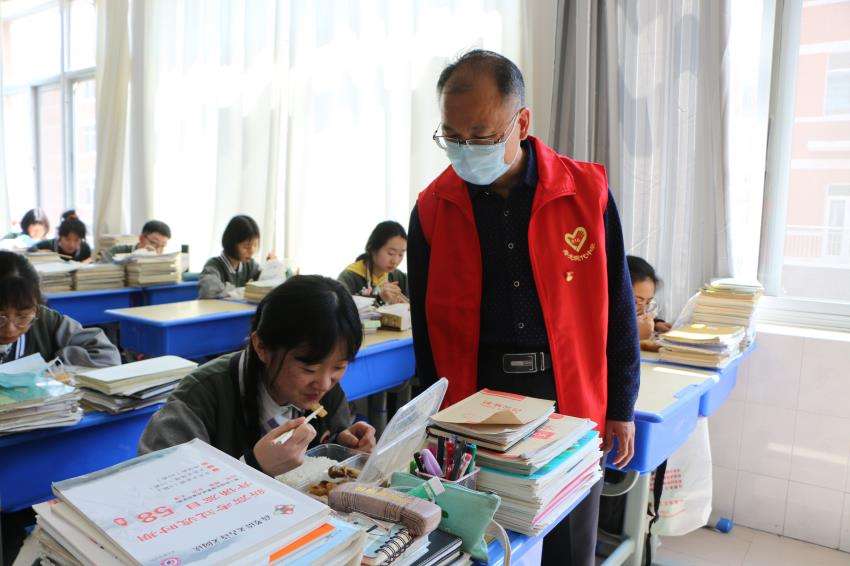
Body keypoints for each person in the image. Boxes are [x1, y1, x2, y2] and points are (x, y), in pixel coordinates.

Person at [407, 50, 640, 565]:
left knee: (569, 544)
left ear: (522, 122)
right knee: (486, 541)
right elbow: (425, 331)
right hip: (474, 398)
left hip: (567, 391)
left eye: (481, 135)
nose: (466, 149)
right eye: (452, 136)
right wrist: (430, 421)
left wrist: (622, 406)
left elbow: (619, 308)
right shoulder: (432, 208)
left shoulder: (585, 193)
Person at [139, 275, 376, 476]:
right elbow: (157, 489)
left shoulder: (324, 389)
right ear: (261, 347)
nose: (324, 384)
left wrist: (343, 443)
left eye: (339, 367)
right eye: (309, 369)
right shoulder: (201, 398)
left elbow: (334, 436)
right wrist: (253, 466)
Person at [0, 251, 120, 366]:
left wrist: (54, 365)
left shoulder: (49, 322)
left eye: (23, 316)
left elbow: (107, 356)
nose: (10, 330)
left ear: (36, 306)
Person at [198, 215, 274, 299]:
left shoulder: (250, 265)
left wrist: (271, 267)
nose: (252, 251)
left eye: (255, 245)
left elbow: (266, 286)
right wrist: (244, 291)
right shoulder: (213, 265)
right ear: (231, 243)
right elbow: (208, 291)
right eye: (246, 246)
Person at [338, 221, 409, 305]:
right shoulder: (349, 278)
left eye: (401, 254)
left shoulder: (399, 277)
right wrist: (380, 300)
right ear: (373, 249)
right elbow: (341, 310)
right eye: (391, 253)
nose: (395, 261)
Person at [100, 220, 172, 262]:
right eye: (153, 243)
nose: (157, 251)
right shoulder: (115, 252)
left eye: (162, 246)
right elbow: (100, 272)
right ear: (141, 238)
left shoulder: (163, 260)